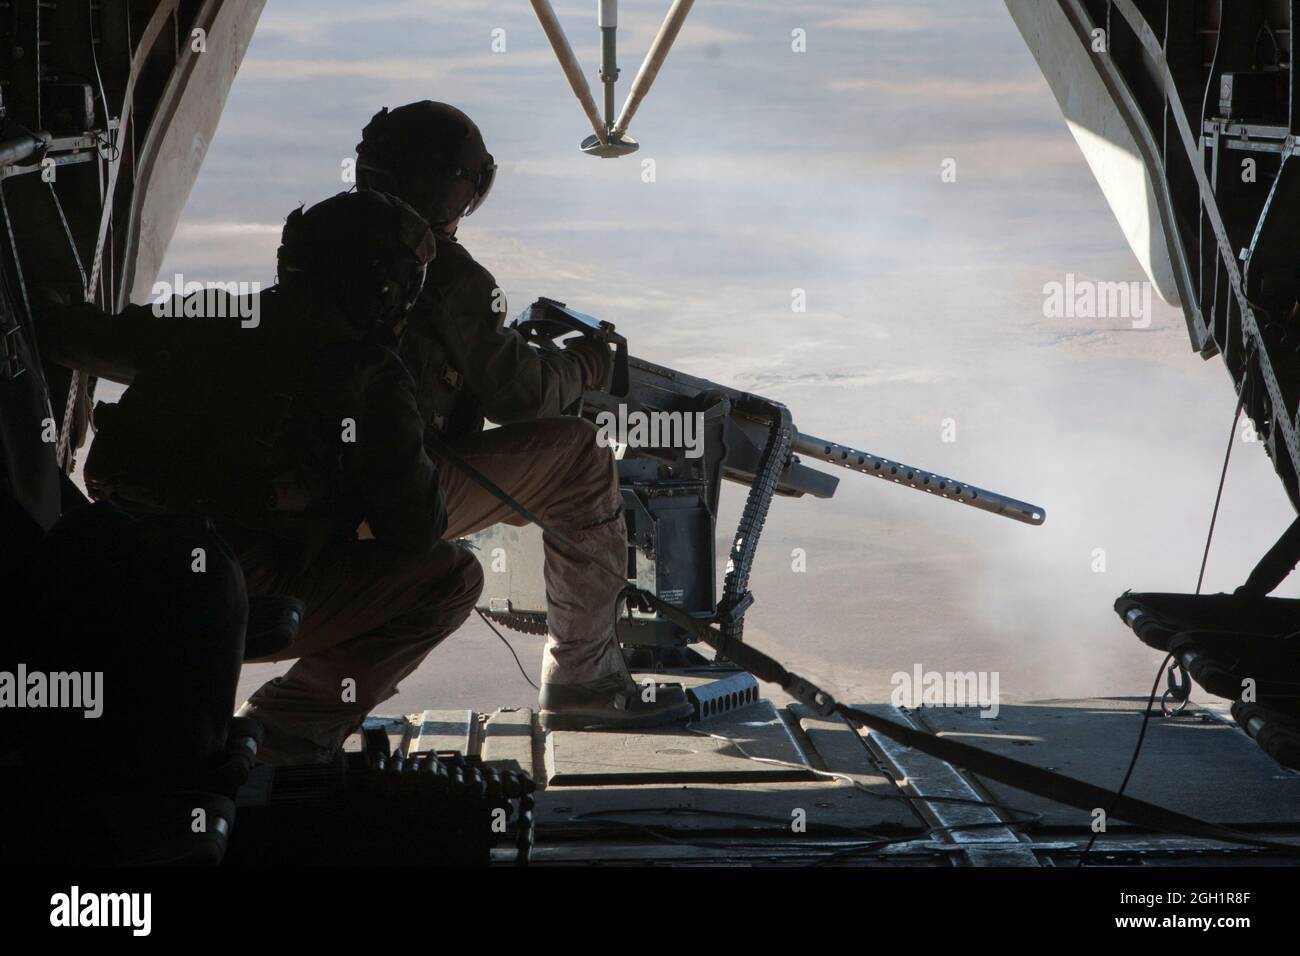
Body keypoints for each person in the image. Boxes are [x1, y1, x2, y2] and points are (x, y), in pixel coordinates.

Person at [40, 190, 484, 765]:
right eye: (406, 283)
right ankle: (289, 731)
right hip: (230, 591)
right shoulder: (367, 372)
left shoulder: (213, 316)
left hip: (109, 566)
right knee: (455, 577)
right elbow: (418, 529)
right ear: (379, 286)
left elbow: (79, 339)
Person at [354, 101, 692, 729]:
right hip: (394, 492)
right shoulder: (445, 274)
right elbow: (523, 399)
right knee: (581, 459)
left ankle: (296, 716)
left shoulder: (321, 245)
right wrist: (585, 367)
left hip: (316, 491)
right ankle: (584, 680)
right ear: (459, 187)